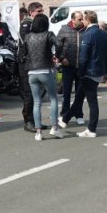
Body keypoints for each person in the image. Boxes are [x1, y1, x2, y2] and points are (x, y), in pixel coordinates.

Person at [22, 13, 64, 141]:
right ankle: (55, 128)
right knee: (53, 99)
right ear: (46, 23)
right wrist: (57, 55)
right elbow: (59, 44)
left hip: (31, 72)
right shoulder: (48, 34)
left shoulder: (28, 36)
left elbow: (23, 52)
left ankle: (38, 132)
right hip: (46, 70)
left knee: (37, 102)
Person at [76, 10, 107, 138]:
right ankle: (64, 119)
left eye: (83, 20)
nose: (82, 22)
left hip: (89, 71)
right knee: (82, 98)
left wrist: (80, 72)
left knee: (91, 102)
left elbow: (84, 56)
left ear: (87, 20)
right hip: (99, 71)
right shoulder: (104, 34)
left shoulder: (88, 34)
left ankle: (91, 129)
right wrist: (105, 70)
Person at [16, 2, 45, 132]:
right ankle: (28, 121)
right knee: (29, 94)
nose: (41, 14)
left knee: (38, 93)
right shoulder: (26, 24)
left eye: (42, 11)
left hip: (35, 63)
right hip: (25, 63)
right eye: (39, 11)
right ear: (31, 12)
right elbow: (28, 41)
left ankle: (36, 120)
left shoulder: (37, 24)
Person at [56, 10, 86, 128]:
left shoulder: (86, 29)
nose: (81, 20)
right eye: (79, 19)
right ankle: (64, 114)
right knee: (66, 92)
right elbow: (57, 44)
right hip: (68, 66)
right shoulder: (64, 29)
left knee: (79, 93)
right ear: (73, 20)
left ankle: (79, 115)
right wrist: (61, 58)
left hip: (81, 67)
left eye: (82, 18)